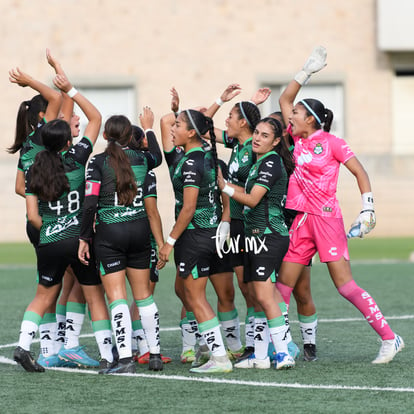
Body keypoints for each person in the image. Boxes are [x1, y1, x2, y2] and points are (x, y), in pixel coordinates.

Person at [276, 46, 404, 364]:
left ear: (312, 120)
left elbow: (360, 172)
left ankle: (390, 338)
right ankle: (278, 345)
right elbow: (283, 101)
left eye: (298, 113)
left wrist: (368, 208)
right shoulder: (295, 139)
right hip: (301, 221)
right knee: (282, 287)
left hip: (327, 220)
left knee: (345, 287)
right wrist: (304, 72)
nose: (291, 116)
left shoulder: (333, 143)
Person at [13, 74, 113, 372]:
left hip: (48, 240)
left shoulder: (34, 171)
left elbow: (32, 215)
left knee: (43, 295)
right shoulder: (78, 158)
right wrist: (71, 89)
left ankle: (22, 345)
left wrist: (51, 230)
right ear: (69, 141)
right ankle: (109, 355)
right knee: (94, 294)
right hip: (78, 239)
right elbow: (96, 118)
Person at [78, 110, 164, 374]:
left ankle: (125, 359)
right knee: (144, 297)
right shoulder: (143, 159)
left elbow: (90, 203)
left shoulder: (97, 162)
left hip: (109, 234)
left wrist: (83, 238)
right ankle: (156, 355)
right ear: (130, 136)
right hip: (139, 232)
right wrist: (149, 129)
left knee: (117, 298)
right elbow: (158, 157)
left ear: (104, 135)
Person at [217, 116, 296, 370]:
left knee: (263, 294)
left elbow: (251, 200)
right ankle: (260, 356)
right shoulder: (258, 162)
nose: (258, 139)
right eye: (257, 134)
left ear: (275, 142)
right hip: (255, 236)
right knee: (259, 295)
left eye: (264, 136)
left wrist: (224, 187)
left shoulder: (271, 163)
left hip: (270, 235)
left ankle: (284, 353)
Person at [159, 107, 232, 373]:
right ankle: (208, 343)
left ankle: (219, 357)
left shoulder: (191, 162)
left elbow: (188, 208)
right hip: (207, 235)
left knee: (196, 297)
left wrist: (169, 242)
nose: (172, 128)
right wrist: (180, 109)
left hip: (196, 236)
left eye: (178, 125)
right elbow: (165, 120)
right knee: (183, 290)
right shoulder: (203, 155)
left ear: (192, 133)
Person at [270, 111, 317, 362]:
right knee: (274, 290)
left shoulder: (298, 157)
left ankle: (310, 343)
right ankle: (283, 342)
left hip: (296, 227)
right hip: (270, 228)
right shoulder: (263, 158)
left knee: (302, 290)